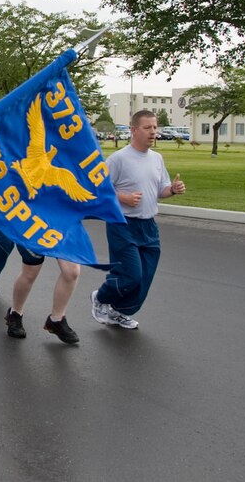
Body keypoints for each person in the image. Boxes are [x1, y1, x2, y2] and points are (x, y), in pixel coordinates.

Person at [90, 110, 186, 329]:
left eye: (155, 127)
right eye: (148, 127)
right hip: (123, 224)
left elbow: (161, 189)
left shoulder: (157, 159)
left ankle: (119, 311)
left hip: (148, 225)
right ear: (134, 130)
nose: (153, 132)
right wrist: (122, 197)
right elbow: (98, 189)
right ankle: (101, 296)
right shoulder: (118, 159)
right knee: (131, 275)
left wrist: (173, 189)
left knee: (145, 278)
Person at [2, 255, 82, 345]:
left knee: (72, 271)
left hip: (64, 240)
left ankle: (56, 320)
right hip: (35, 240)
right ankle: (15, 314)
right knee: (30, 272)